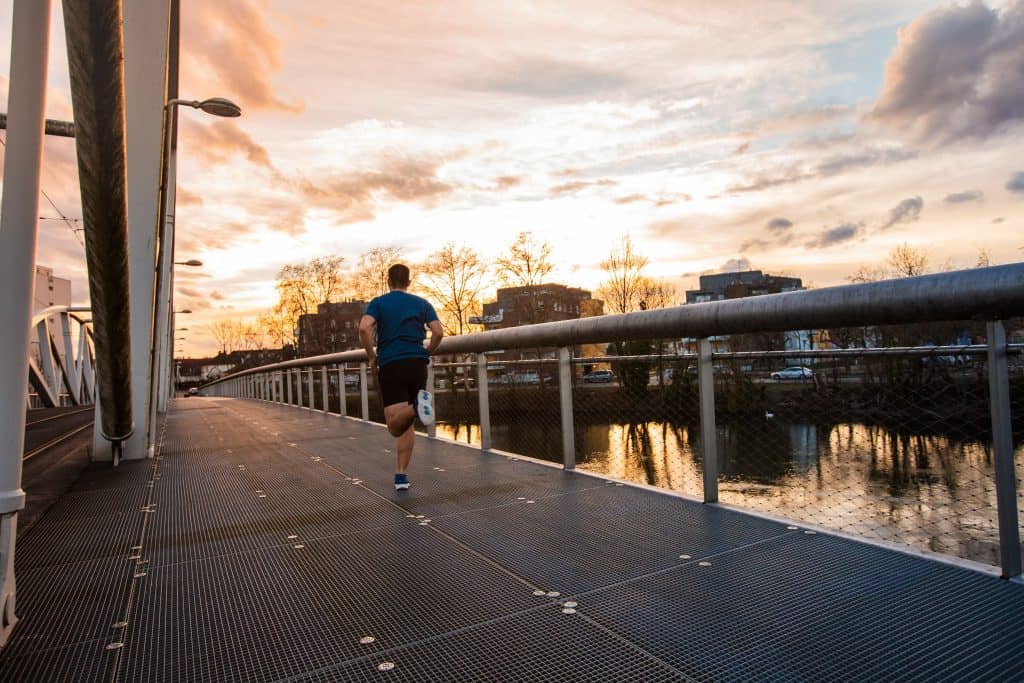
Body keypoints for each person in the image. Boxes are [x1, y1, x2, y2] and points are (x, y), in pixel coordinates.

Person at [358, 263, 443, 490]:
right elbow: (438, 332)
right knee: (407, 425)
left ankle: (417, 407)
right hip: (417, 365)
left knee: (395, 427)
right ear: (408, 282)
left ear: (388, 281)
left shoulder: (379, 303)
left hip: (392, 365)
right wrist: (427, 352)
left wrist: (371, 356)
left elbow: (364, 329)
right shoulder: (422, 304)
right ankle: (401, 476)